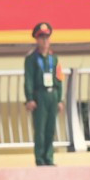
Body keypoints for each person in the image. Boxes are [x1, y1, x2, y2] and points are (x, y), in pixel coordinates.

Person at [24, 22, 64, 167]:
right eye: (42, 38)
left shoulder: (54, 59)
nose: (45, 41)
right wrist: (29, 98)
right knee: (40, 129)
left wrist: (59, 98)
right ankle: (40, 159)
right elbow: (28, 79)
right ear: (37, 39)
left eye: (47, 38)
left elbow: (59, 79)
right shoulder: (32, 59)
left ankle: (49, 157)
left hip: (52, 94)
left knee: (50, 129)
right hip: (40, 95)